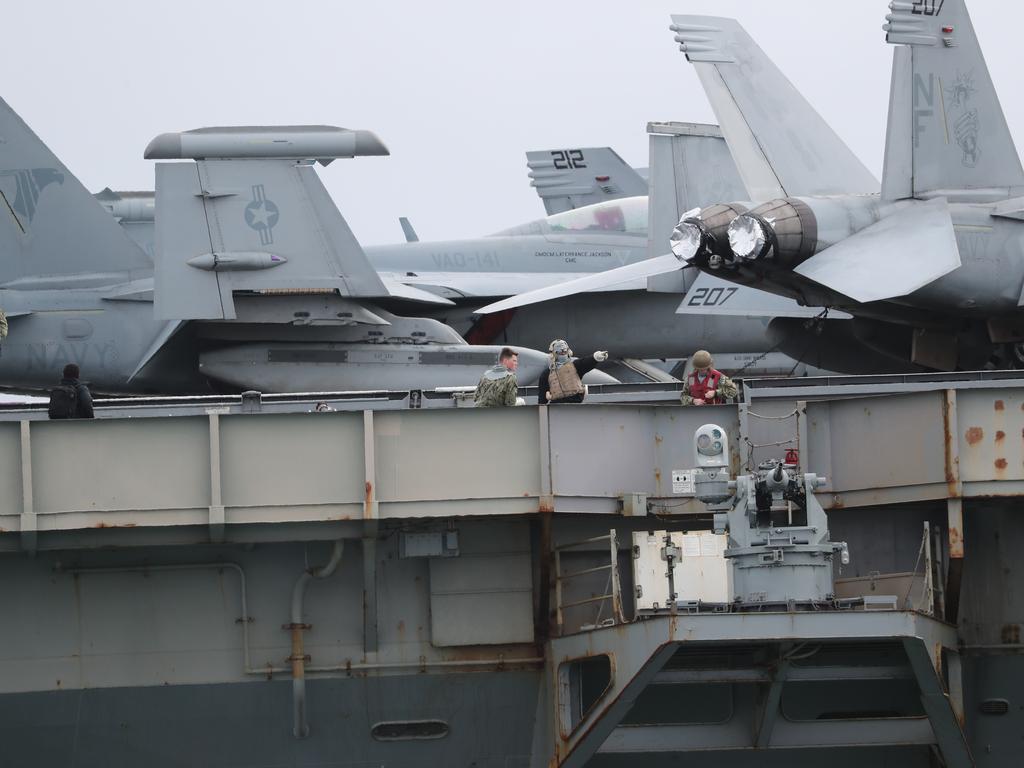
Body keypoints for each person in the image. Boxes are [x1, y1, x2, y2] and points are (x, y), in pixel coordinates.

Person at [538, 339, 608, 404]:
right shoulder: (547, 374)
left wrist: (596, 357)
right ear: (554, 354)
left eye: (564, 351)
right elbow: (542, 397)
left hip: (576, 404)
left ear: (568, 351)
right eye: (560, 352)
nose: (563, 353)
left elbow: (585, 362)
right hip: (556, 407)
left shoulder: (575, 366)